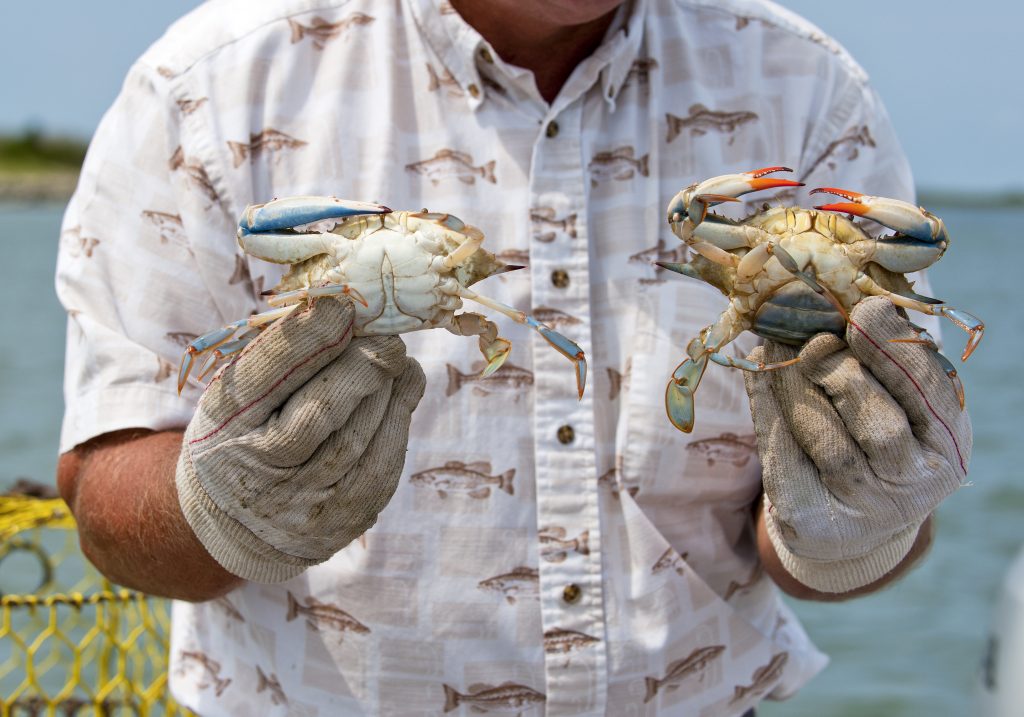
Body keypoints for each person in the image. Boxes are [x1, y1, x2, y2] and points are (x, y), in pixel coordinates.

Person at [55, 0, 971, 714]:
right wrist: (221, 508)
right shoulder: (211, 86)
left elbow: (861, 524)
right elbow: (105, 499)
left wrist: (865, 519)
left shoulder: (806, 91)